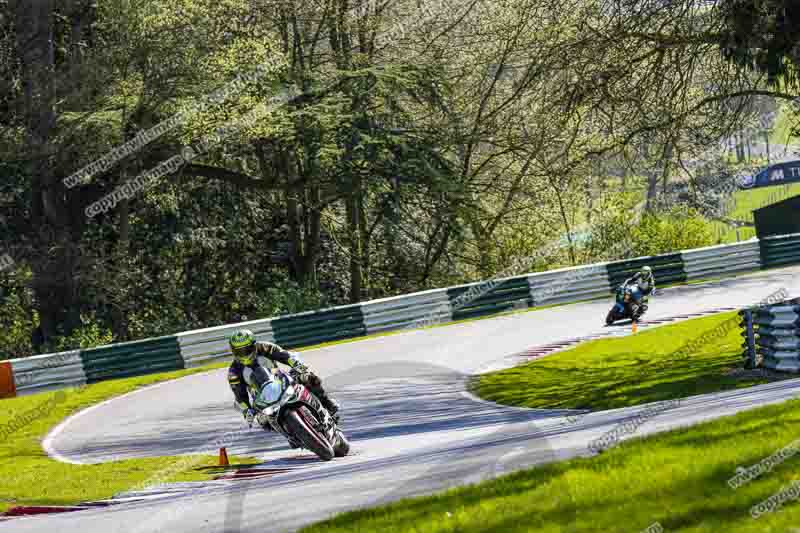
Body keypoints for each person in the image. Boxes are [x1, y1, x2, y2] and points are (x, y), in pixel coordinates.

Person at [227, 329, 339, 430]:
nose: (244, 354)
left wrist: (300, 367)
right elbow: (239, 395)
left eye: (247, 349)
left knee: (309, 377)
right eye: (239, 351)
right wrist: (247, 411)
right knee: (263, 422)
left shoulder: (265, 347)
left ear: (254, 345)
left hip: (281, 380)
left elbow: (285, 356)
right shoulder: (233, 372)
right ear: (233, 352)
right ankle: (289, 431)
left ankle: (327, 404)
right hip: (261, 397)